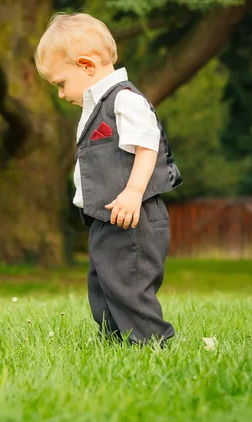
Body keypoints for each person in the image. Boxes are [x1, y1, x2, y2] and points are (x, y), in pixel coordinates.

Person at [35, 13, 183, 344]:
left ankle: (151, 345)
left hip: (133, 215)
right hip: (107, 217)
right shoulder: (97, 103)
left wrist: (132, 191)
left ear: (87, 65)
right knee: (103, 283)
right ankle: (115, 343)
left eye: (61, 83)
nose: (60, 94)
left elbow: (148, 146)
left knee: (128, 283)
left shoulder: (125, 100)